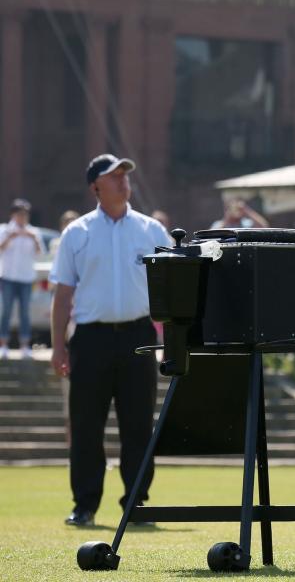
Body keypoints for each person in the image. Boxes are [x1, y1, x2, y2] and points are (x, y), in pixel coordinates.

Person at [50, 154, 169, 527]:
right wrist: (57, 345)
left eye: (124, 175)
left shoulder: (151, 230)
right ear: (95, 187)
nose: (122, 181)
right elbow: (63, 294)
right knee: (86, 427)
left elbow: (173, 286)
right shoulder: (77, 233)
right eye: (113, 176)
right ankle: (84, 504)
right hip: (91, 339)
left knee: (138, 427)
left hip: (138, 336)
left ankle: (136, 502)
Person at [0, 199, 43, 359]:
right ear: (13, 215)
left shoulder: (34, 232)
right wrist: (10, 237)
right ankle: (3, 344)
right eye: (19, 214)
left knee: (25, 312)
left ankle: (25, 345)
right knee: (6, 311)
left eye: (25, 214)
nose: (22, 218)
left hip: (26, 278)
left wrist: (34, 239)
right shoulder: (4, 230)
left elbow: (40, 254)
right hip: (8, 277)